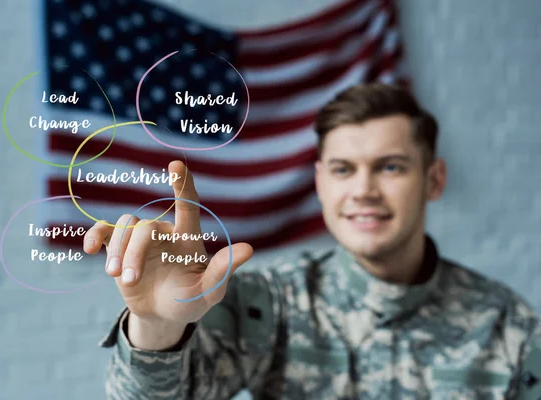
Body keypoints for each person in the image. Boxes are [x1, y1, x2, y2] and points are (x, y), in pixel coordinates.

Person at [84, 83, 541, 399]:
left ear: (434, 179)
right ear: (321, 183)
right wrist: (158, 328)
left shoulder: (508, 327)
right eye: (343, 169)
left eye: (391, 167)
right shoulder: (271, 303)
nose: (363, 190)